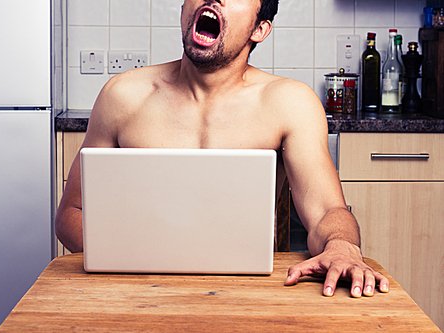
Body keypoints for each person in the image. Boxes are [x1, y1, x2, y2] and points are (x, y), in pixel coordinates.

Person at [55, 0, 390, 298]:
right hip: (135, 288)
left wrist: (342, 246)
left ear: (260, 29)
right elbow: (72, 213)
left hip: (246, 292)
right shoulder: (123, 95)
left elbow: (327, 211)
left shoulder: (289, 103)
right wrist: (137, 255)